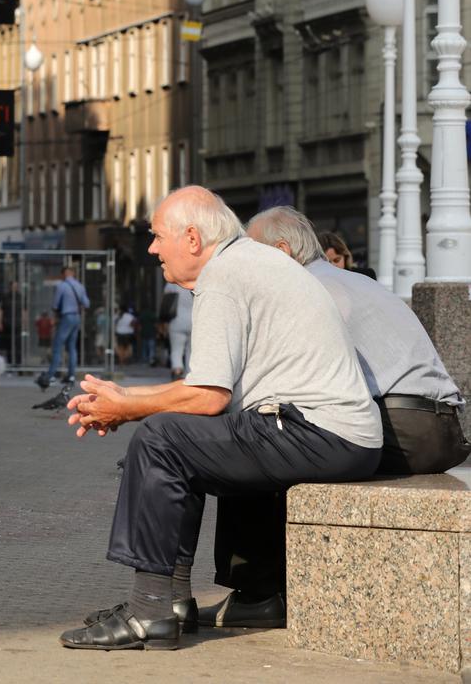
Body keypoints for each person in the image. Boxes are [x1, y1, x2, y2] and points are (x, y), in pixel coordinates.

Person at [57, 187, 380, 652]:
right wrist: (124, 399)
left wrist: (128, 409)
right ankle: (171, 603)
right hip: (331, 433)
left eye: (157, 236)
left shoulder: (225, 275)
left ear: (192, 238)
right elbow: (206, 394)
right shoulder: (244, 263)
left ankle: (149, 613)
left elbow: (207, 397)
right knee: (172, 437)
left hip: (320, 432)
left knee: (159, 440)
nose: (151, 248)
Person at [210, 206, 471, 628]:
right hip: (439, 426)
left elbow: (276, 385)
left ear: (280, 251)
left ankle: (256, 594)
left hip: (404, 426)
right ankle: (262, 591)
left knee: (254, 442)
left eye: (252, 253)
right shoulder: (348, 280)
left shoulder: (306, 290)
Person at [37, 266, 88, 390]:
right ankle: (71, 376)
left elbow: (55, 304)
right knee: (72, 347)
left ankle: (51, 375)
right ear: (73, 274)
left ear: (64, 274)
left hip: (66, 317)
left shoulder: (62, 286)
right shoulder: (80, 286)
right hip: (76, 317)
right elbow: (87, 303)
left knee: (57, 346)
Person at [161, 280, 192, 381]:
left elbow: (166, 302)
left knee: (176, 350)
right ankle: (189, 375)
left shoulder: (173, 283)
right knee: (191, 351)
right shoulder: (196, 281)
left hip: (176, 321)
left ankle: (177, 372)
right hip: (194, 321)